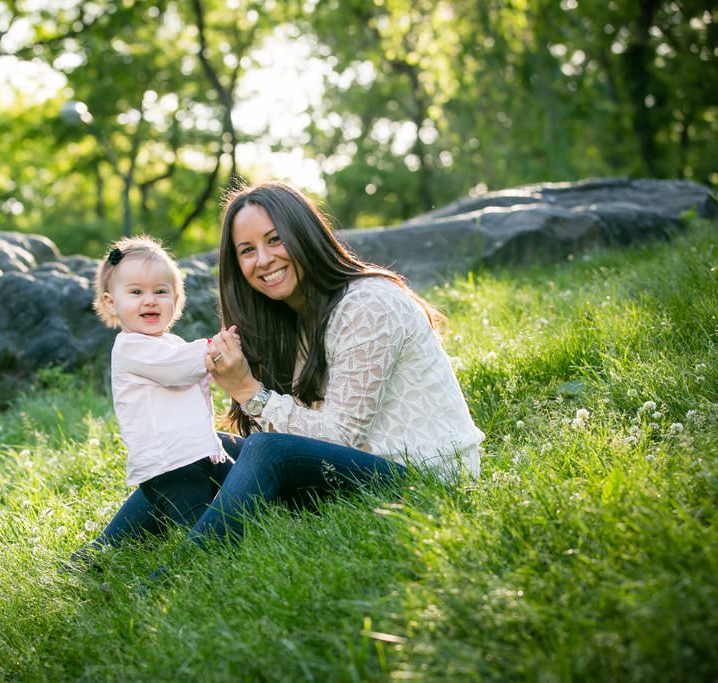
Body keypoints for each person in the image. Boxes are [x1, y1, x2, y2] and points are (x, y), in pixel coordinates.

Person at [87, 181, 483, 557]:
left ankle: (182, 570)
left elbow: (338, 439)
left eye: (275, 240)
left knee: (266, 451)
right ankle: (91, 561)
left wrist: (248, 391)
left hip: (423, 480)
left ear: (304, 234)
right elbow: (304, 435)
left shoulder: (367, 304)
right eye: (246, 250)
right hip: (359, 465)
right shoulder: (291, 319)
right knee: (202, 449)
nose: (263, 260)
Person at [72, 236, 232, 566]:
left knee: (241, 486)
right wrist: (218, 348)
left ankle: (94, 557)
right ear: (111, 302)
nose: (150, 301)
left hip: (194, 452)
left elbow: (186, 370)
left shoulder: (169, 342)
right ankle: (191, 571)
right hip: (170, 465)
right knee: (204, 528)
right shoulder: (132, 347)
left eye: (160, 292)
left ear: (177, 299)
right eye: (136, 292)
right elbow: (176, 370)